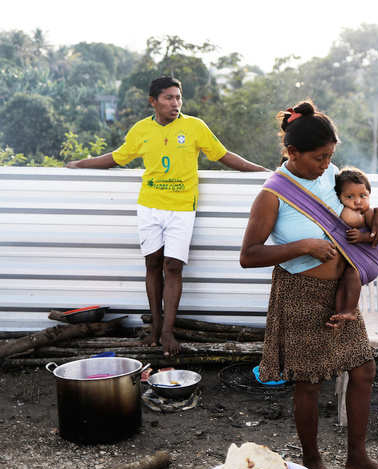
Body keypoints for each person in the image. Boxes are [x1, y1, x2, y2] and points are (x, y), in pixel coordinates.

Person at [239, 100, 378, 469]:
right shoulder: (272, 194)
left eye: (331, 155)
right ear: (292, 153)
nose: (326, 165)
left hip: (342, 293)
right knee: (308, 382)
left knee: (363, 369)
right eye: (318, 157)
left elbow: (363, 200)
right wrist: (304, 246)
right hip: (300, 293)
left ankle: (357, 458)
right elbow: (248, 256)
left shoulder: (332, 177)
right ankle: (312, 461)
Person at [66, 76, 268, 356]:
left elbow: (224, 155)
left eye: (178, 97)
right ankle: (155, 325)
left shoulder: (194, 127)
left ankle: (167, 331)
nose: (175, 103)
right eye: (169, 98)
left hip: (182, 208)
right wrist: (80, 164)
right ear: (153, 101)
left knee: (173, 266)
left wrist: (265, 173)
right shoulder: (141, 130)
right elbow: (116, 157)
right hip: (149, 206)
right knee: (152, 263)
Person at [328, 167, 378, 328]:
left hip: (369, 261)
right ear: (339, 198)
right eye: (350, 197)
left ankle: (350, 310)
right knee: (343, 283)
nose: (358, 201)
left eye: (363, 196)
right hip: (354, 263)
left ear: (369, 194)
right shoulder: (341, 212)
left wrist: (363, 237)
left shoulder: (369, 214)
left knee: (350, 275)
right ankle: (340, 313)